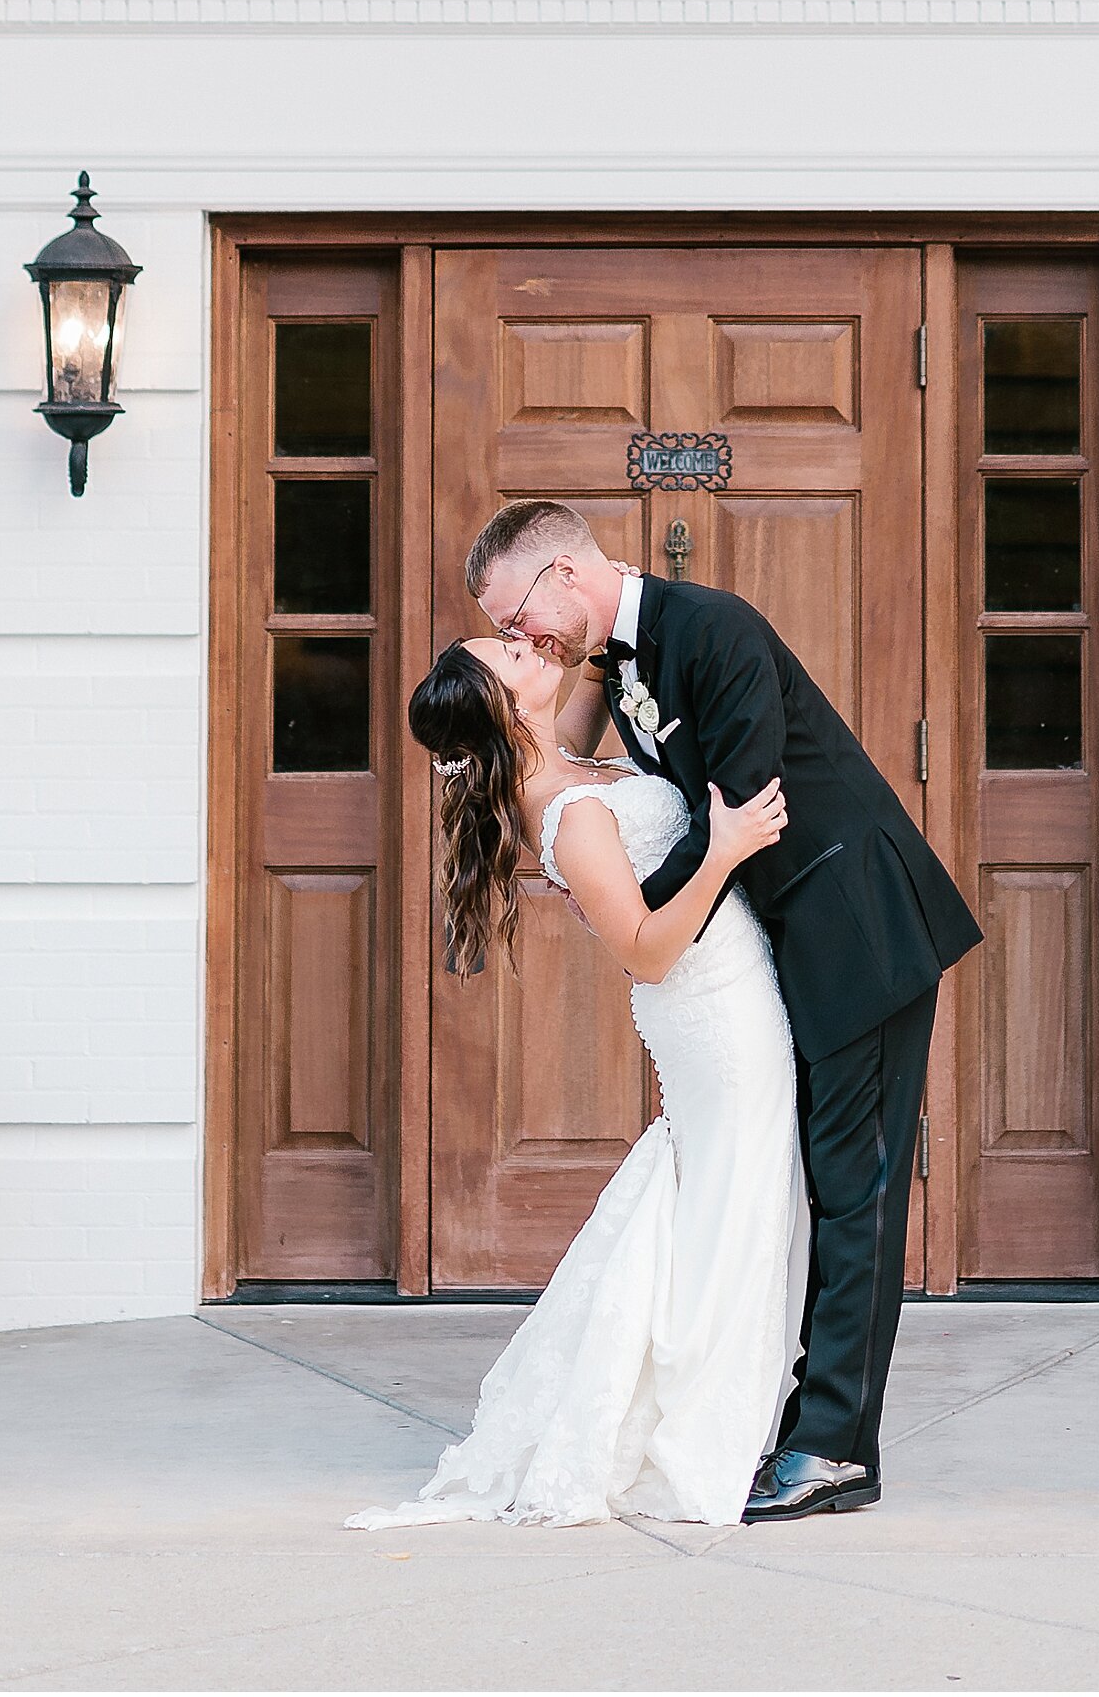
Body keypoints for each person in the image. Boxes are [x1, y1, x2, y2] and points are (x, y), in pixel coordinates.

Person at [471, 497, 983, 1522]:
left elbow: (745, 807)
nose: (521, 639)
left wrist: (617, 903)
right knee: (816, 1186)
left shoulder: (715, 629)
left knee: (854, 1194)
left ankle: (833, 1445)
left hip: (857, 933)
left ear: (566, 571)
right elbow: (567, 775)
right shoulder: (617, 665)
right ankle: (788, 1419)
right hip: (787, 951)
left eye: (518, 616)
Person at [349, 624, 802, 1529]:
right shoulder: (569, 809)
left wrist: (594, 622)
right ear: (506, 708)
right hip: (708, 1009)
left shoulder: (563, 760)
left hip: (737, 990)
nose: (528, 647)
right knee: (737, 1198)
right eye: (511, 653)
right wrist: (725, 848)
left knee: (736, 1196)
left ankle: (737, 1397)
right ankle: (704, 1413)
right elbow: (644, 953)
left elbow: (591, 676)